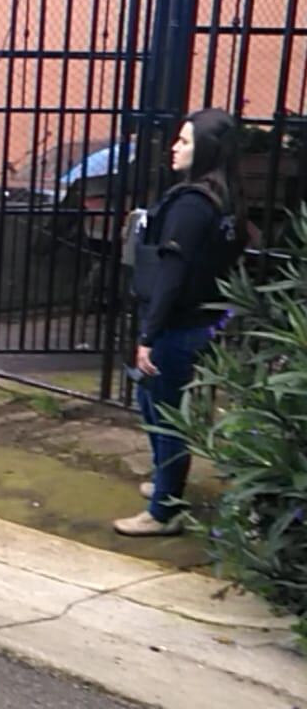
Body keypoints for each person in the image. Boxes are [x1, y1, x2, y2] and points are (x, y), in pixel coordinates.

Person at [114, 109, 249, 537]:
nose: (175, 148)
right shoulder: (225, 197)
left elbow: (172, 272)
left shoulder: (192, 204)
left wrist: (149, 335)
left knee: (164, 414)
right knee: (155, 402)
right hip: (200, 319)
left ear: (206, 150)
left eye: (185, 141)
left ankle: (164, 510)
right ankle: (164, 482)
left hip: (176, 325)